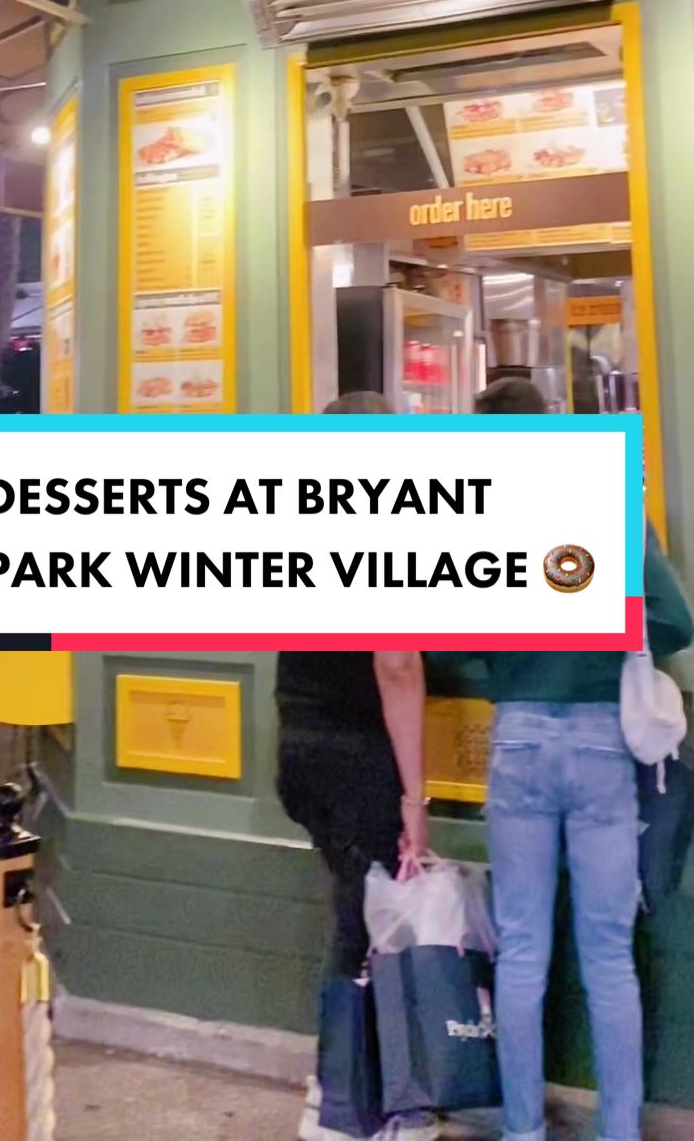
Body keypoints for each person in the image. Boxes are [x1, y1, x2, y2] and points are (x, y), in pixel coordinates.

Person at [474, 375, 694, 1141]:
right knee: (608, 954)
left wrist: (501, 667)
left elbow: (442, 638)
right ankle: (619, 1129)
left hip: (518, 738)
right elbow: (676, 622)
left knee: (521, 950)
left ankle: (522, 1129)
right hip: (604, 739)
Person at [276, 392, 432, 1141]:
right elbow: (397, 664)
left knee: (352, 916)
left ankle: (351, 1093)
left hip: (299, 747)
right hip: (356, 756)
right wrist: (414, 797)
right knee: (360, 925)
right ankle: (342, 1103)